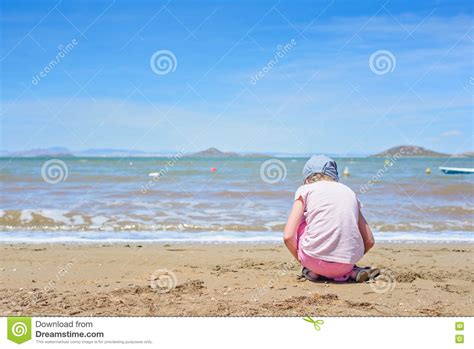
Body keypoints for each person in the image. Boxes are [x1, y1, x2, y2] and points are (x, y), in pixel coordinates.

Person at [283, 155, 376, 282]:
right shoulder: (349, 192)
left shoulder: (305, 190)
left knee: (302, 223)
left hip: (313, 261)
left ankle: (312, 271)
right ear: (335, 177)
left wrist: (303, 261)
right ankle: (350, 272)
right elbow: (369, 240)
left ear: (307, 179)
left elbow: (288, 236)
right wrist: (349, 259)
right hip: (345, 264)